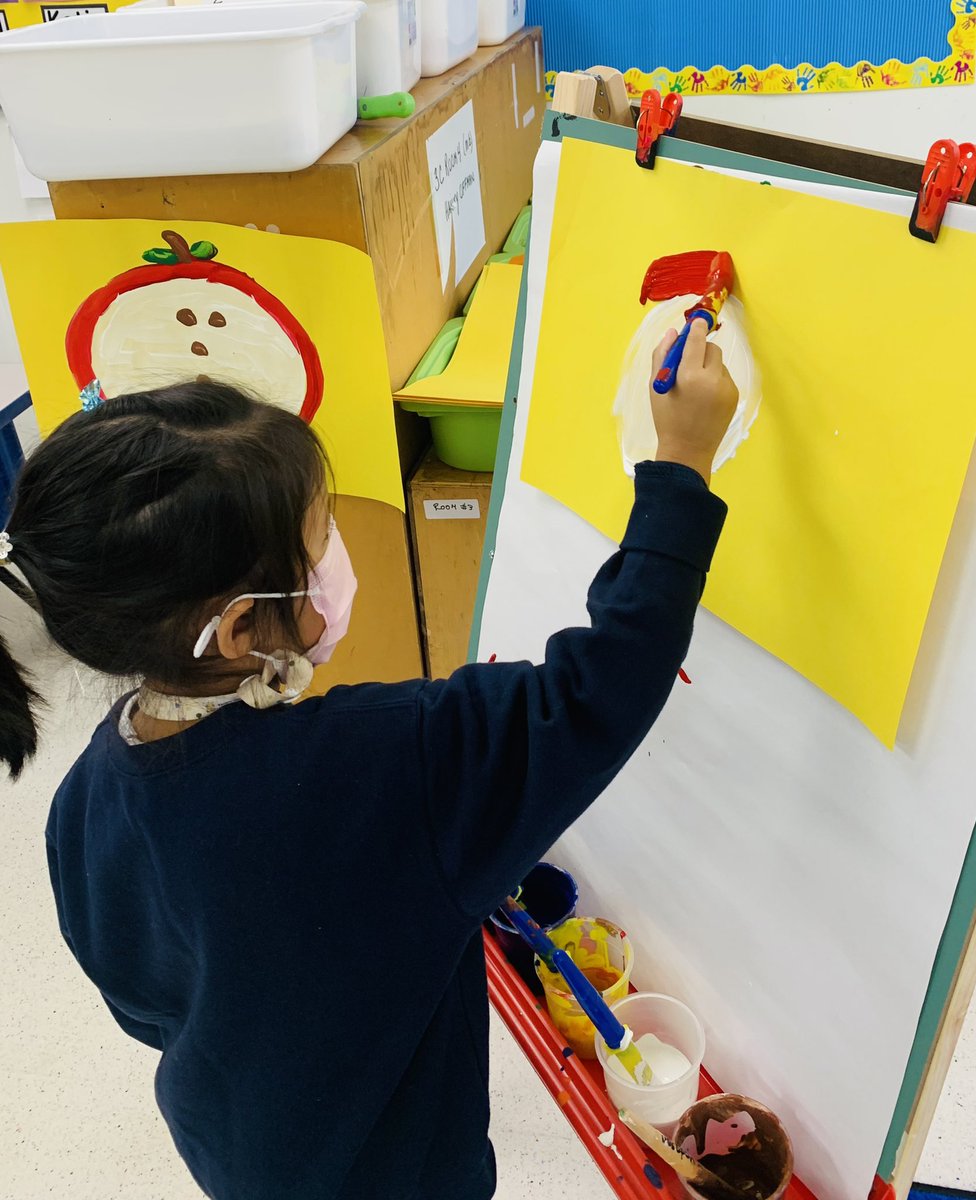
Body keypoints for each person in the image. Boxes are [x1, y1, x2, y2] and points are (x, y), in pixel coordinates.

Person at [0, 319, 738, 1200]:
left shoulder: (85, 793)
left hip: (239, 1155)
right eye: (319, 544)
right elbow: (602, 685)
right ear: (239, 628)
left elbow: (139, 1000)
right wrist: (681, 466)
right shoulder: (393, 760)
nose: (334, 560)